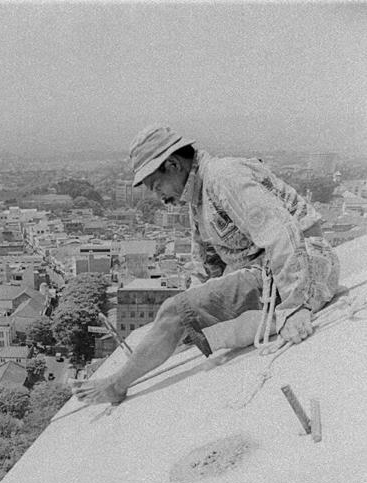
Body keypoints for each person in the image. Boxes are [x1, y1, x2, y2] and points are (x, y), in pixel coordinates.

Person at [73, 124, 339, 405]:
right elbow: (207, 268)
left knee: (174, 312)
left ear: (174, 164)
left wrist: (296, 308)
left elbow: (281, 234)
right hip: (273, 277)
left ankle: (116, 385)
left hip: (302, 270)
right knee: (180, 312)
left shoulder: (224, 177)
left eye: (156, 185)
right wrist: (189, 321)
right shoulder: (199, 198)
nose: (158, 195)